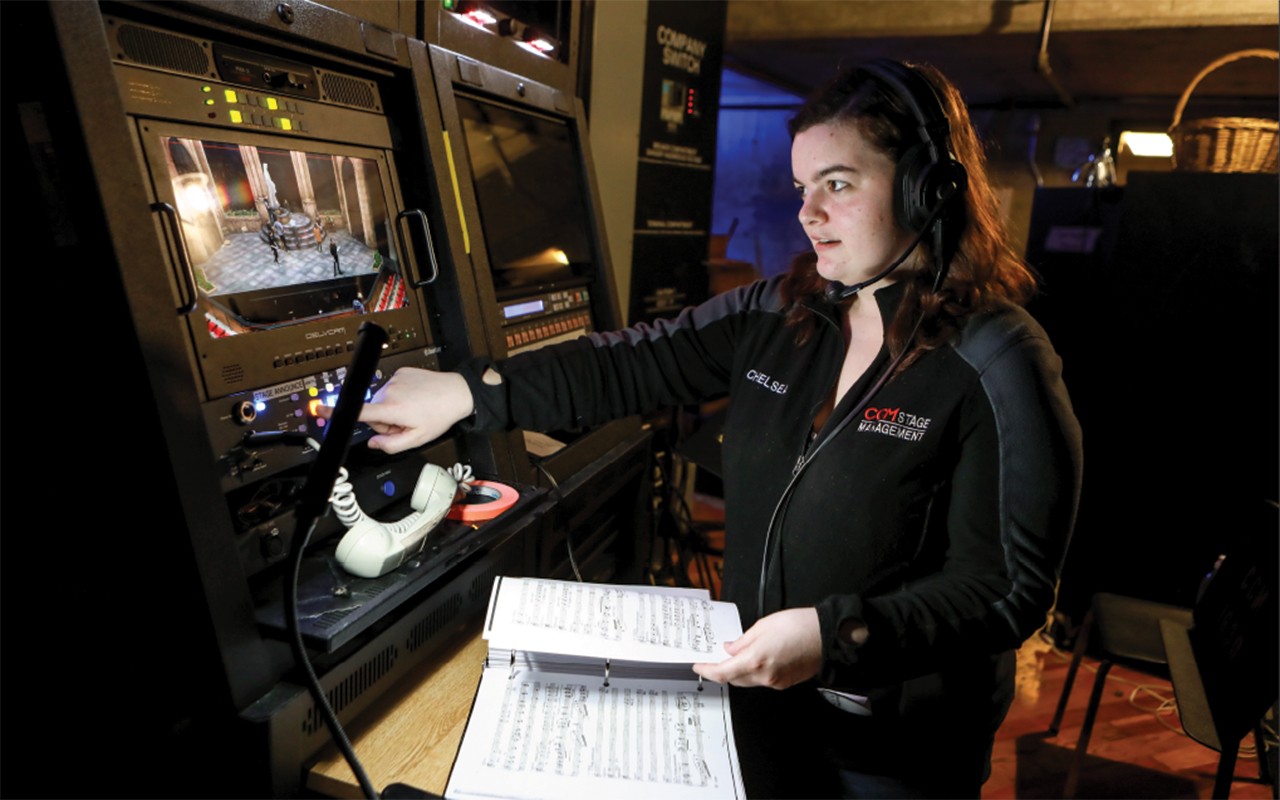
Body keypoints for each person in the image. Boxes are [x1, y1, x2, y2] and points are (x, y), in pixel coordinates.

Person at [325, 59, 1082, 798]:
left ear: (926, 192)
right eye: (802, 188)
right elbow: (630, 364)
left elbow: (1006, 591)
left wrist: (836, 635)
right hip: (759, 711)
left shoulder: (998, 359)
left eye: (839, 184)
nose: (807, 212)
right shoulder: (782, 313)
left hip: (892, 754)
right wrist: (469, 392)